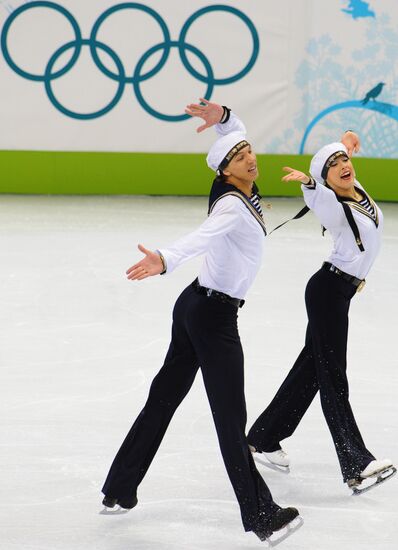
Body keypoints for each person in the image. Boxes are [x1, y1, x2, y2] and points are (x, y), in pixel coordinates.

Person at [101, 99, 301, 541]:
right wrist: (166, 258)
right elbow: (202, 237)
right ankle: (260, 514)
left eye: (249, 151)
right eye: (239, 157)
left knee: (163, 398)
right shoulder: (231, 204)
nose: (250, 158)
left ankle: (119, 488)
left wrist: (226, 119)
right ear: (225, 171)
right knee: (231, 419)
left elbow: (238, 134)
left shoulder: (236, 184)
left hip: (193, 305)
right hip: (212, 318)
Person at [248, 136, 396, 493]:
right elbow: (319, 197)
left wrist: (343, 143)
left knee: (311, 371)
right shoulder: (329, 200)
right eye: (333, 166)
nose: (343, 167)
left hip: (340, 292)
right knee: (333, 376)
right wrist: (310, 182)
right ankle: (356, 464)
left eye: (344, 161)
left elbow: (342, 159)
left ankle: (264, 437)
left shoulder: (354, 188)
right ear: (324, 178)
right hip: (327, 291)